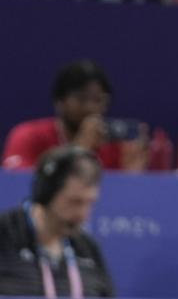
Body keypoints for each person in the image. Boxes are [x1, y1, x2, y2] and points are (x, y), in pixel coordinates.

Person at [0, 147, 114, 297]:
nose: (83, 215)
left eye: (90, 203)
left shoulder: (88, 249)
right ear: (45, 194)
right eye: (74, 202)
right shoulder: (5, 233)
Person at [3, 60, 153, 172]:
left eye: (98, 99)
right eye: (81, 99)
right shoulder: (27, 136)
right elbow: (17, 184)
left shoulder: (117, 146)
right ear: (59, 101)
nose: (90, 107)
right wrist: (77, 150)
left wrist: (132, 178)